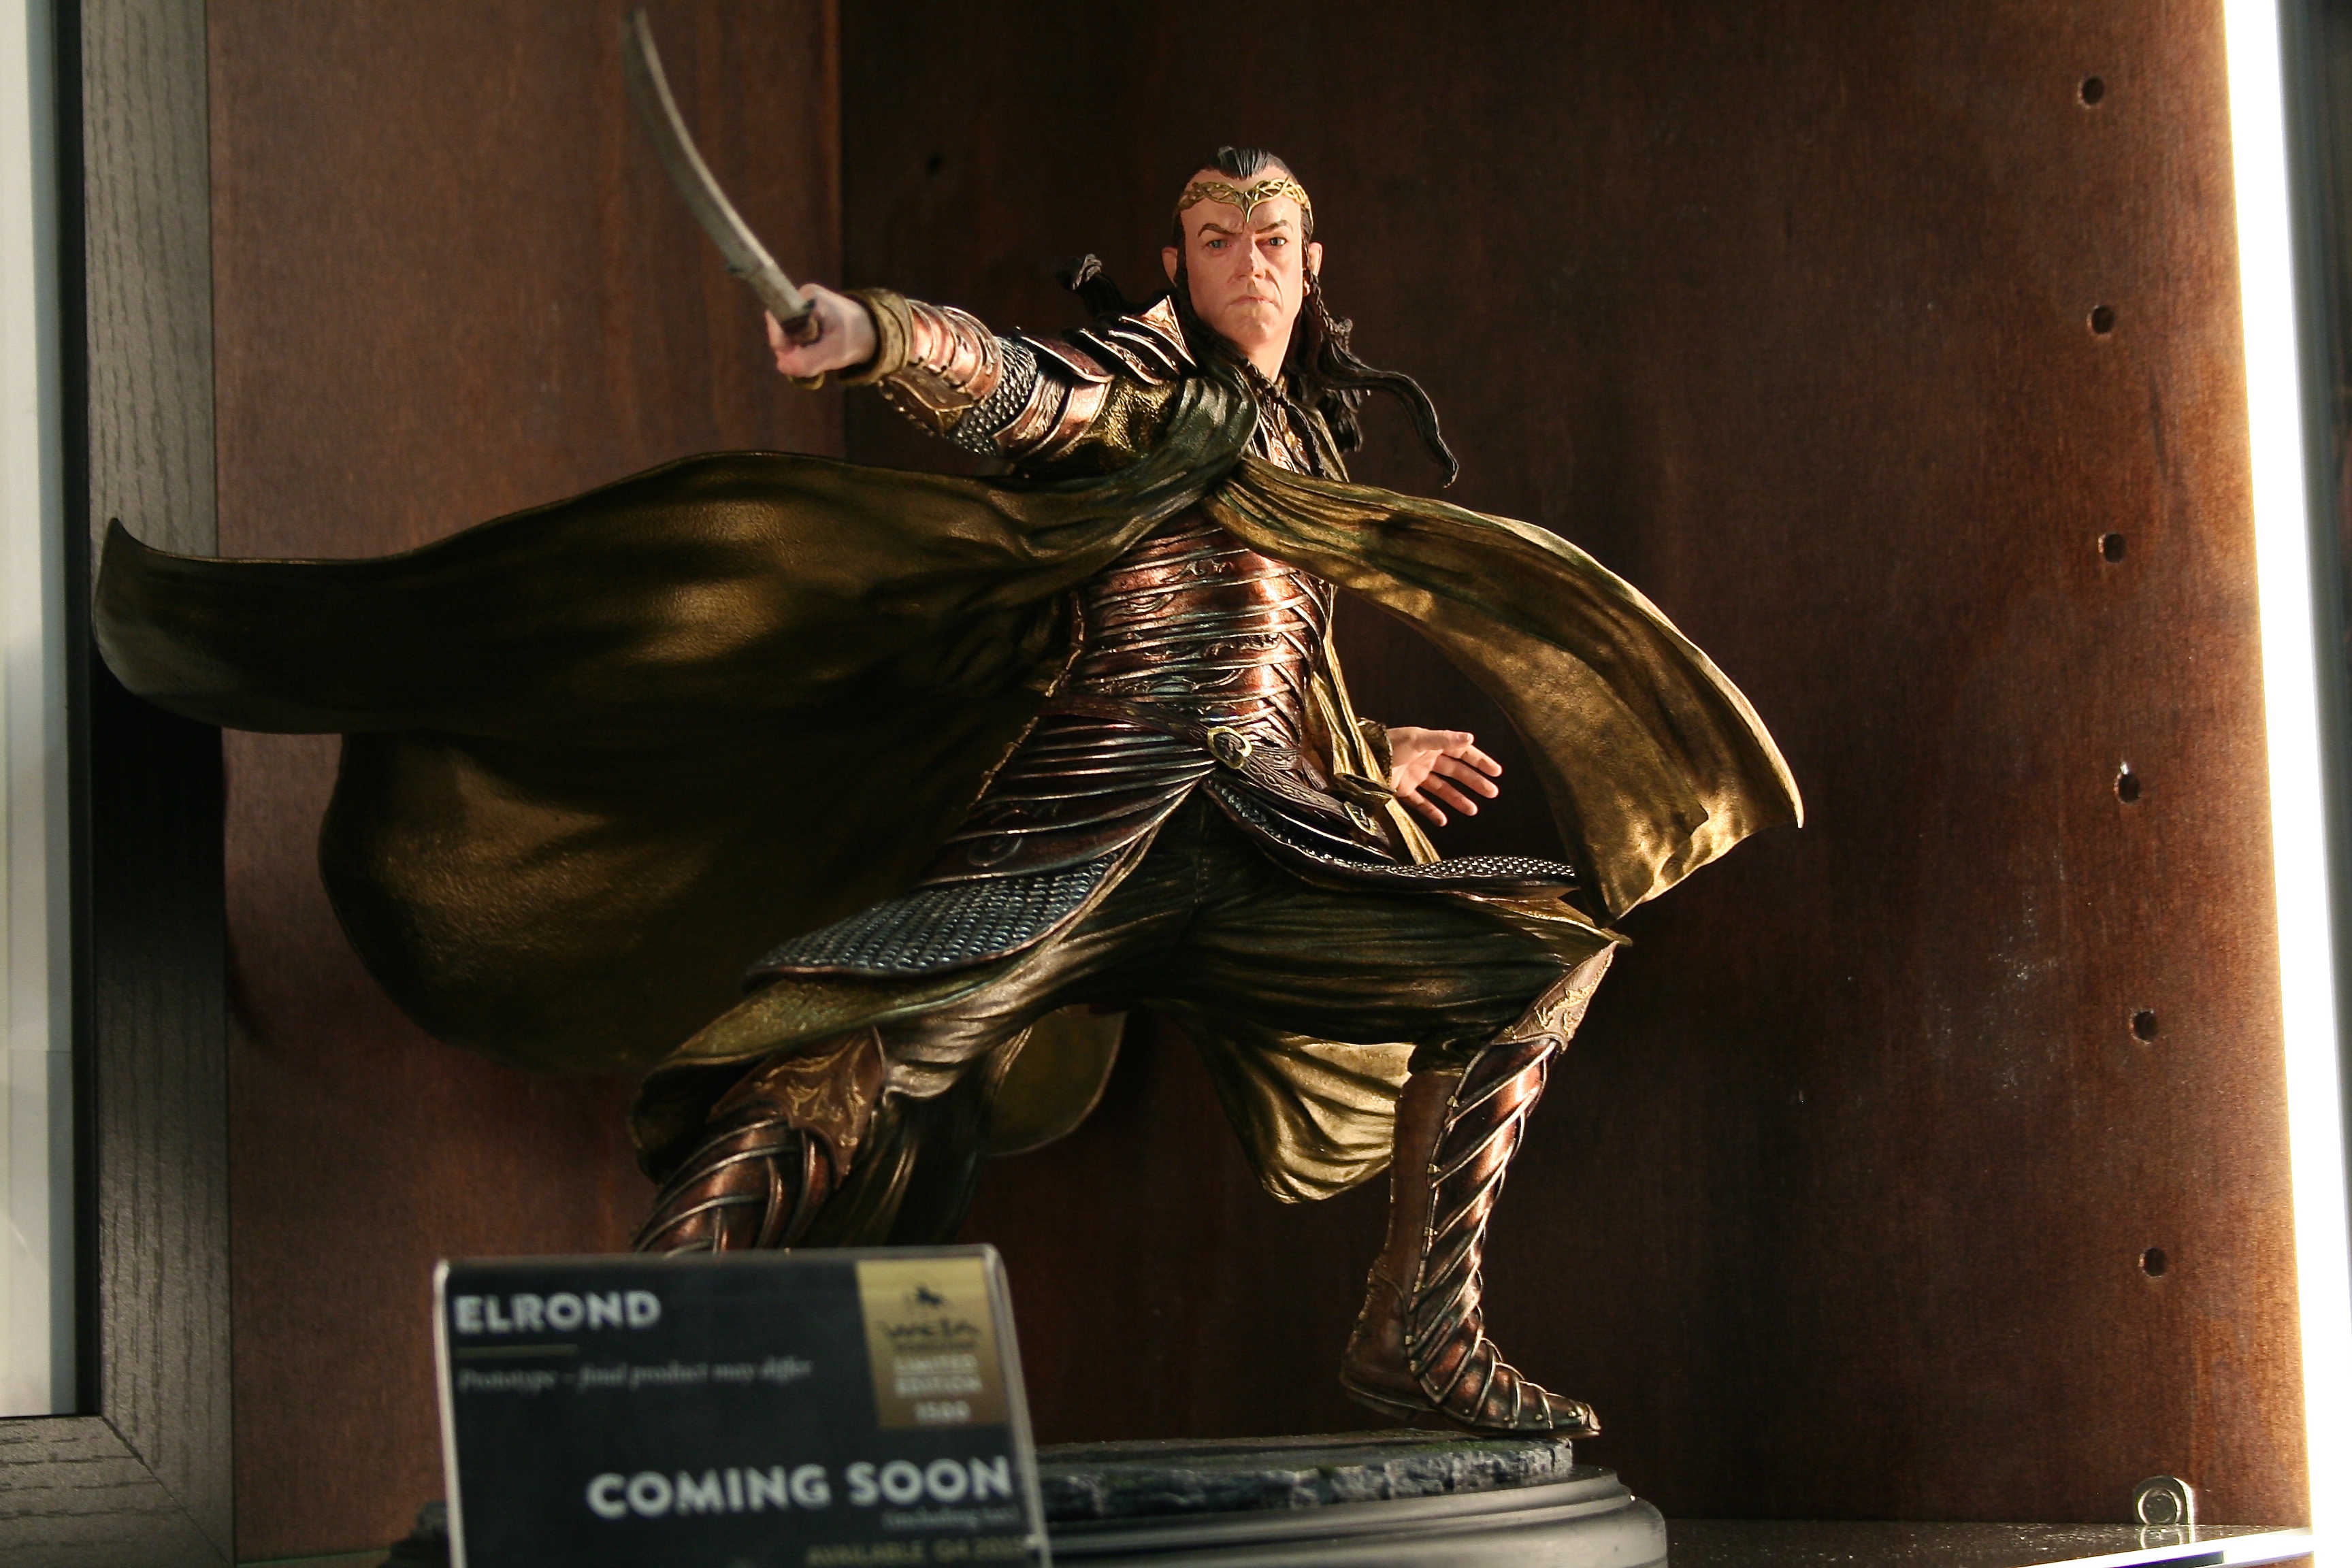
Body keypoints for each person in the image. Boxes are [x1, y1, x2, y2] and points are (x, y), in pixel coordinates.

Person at [93, 147, 1799, 1436]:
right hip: (1084, 835)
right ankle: (638, 1338)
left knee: (1539, 951)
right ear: (1176, 262)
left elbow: (1273, 659)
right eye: (1217, 237)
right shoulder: (1142, 390)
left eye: (1275, 238)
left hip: (1263, 845)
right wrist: (876, 336)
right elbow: (1016, 390)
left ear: (1314, 262)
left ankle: (1419, 1332)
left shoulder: (1302, 448)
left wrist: (1372, 760)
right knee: (844, 1059)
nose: (1250, 262)